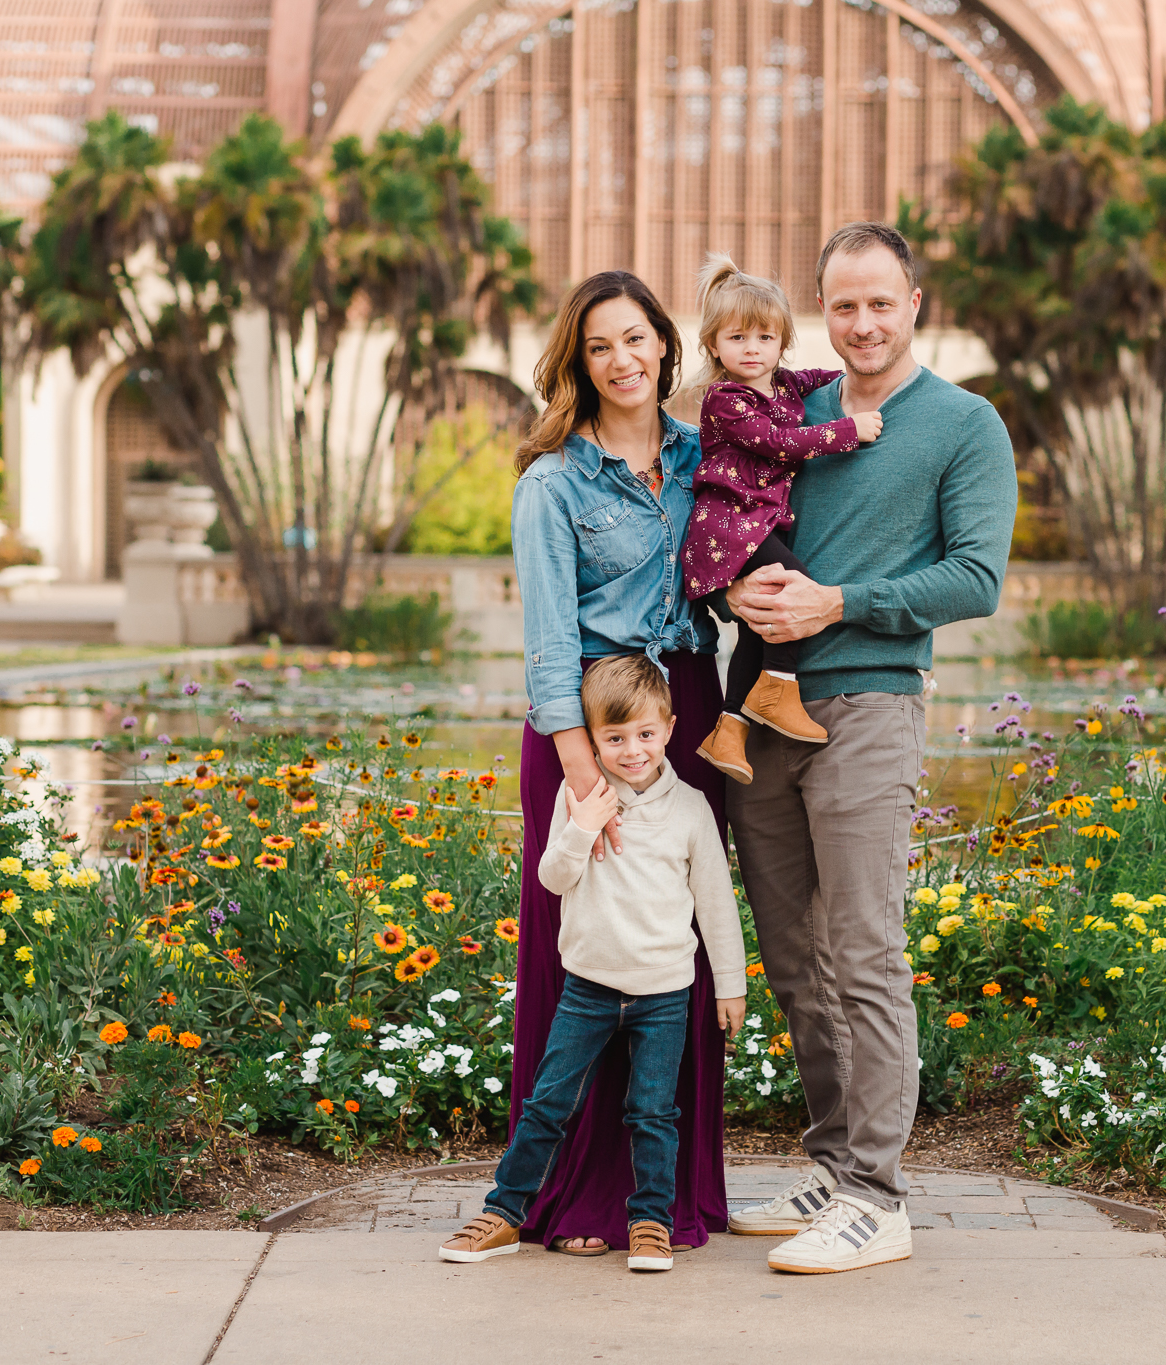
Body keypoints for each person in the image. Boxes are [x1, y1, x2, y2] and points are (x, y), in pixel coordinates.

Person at [721, 222, 1018, 1273]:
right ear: (820, 310)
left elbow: (974, 578)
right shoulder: (781, 410)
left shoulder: (962, 425)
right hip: (755, 711)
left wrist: (838, 602)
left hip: (867, 709)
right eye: (841, 305)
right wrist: (732, 585)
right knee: (796, 958)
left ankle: (877, 1199)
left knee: (862, 951)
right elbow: (723, 513)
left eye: (878, 303)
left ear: (914, 304)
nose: (860, 324)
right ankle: (834, 1163)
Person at [494, 270, 734, 1255]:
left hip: (683, 719)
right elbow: (550, 646)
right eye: (599, 346)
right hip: (586, 732)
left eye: (636, 339)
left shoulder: (703, 456)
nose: (622, 360)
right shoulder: (552, 481)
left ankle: (663, 1194)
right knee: (584, 956)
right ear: (577, 362)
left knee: (664, 948)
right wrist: (586, 778)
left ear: (664, 346)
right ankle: (575, 1197)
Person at [440, 656, 747, 1272]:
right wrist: (582, 825)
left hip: (665, 994)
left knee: (654, 1111)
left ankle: (651, 1222)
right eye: (614, 738)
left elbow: (716, 904)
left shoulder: (691, 810)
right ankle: (504, 1212)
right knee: (549, 1103)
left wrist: (731, 986)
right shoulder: (577, 796)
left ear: (669, 729)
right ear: (592, 740)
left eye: (645, 734)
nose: (632, 750)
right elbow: (553, 879)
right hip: (588, 990)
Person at [681, 252, 885, 785]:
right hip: (729, 527)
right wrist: (848, 431)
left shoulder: (789, 387)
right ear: (714, 345)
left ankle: (728, 731)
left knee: (762, 621)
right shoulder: (726, 399)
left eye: (765, 338)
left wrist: (860, 375)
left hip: (758, 525)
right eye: (738, 338)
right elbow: (778, 444)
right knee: (797, 588)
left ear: (782, 342)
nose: (752, 349)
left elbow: (827, 379)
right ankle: (778, 688)